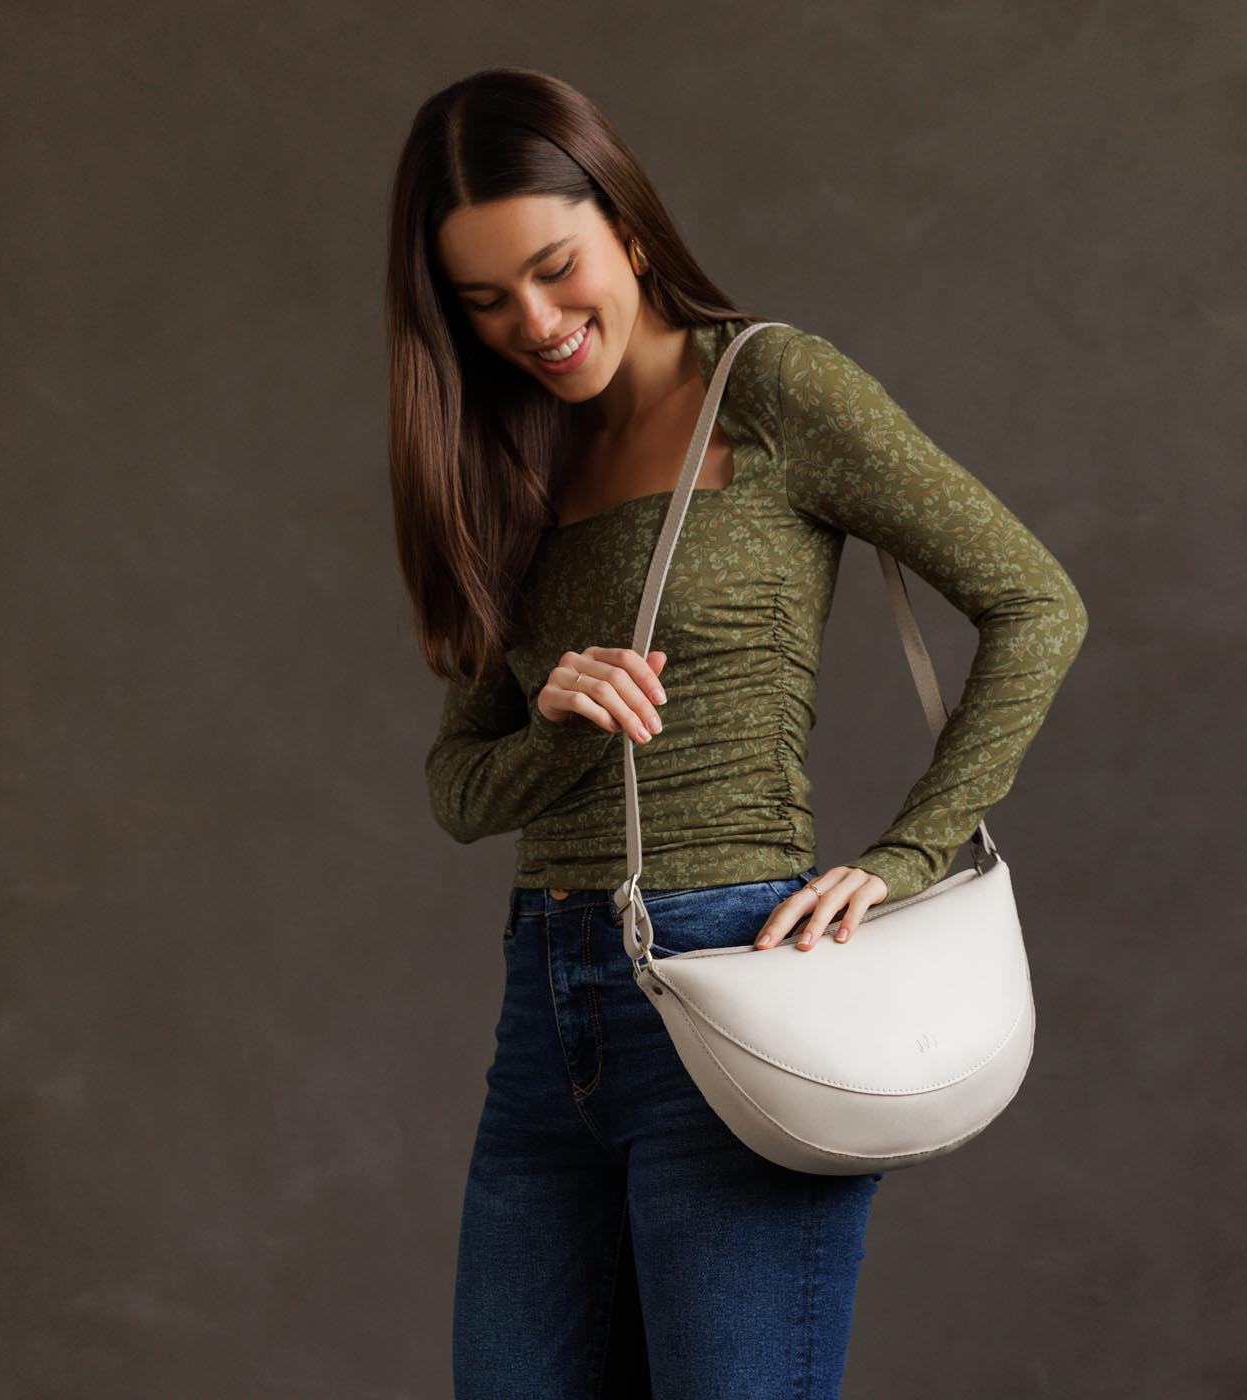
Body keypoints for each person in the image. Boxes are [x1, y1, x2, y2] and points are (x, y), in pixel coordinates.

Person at [386, 65, 1088, 1400]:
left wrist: (909, 855)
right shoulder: (517, 459)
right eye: (484, 301)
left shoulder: (771, 389)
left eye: (555, 268)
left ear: (629, 228)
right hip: (547, 1016)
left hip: (737, 983)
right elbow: (460, 792)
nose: (534, 323)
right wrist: (559, 725)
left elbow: (1036, 604)